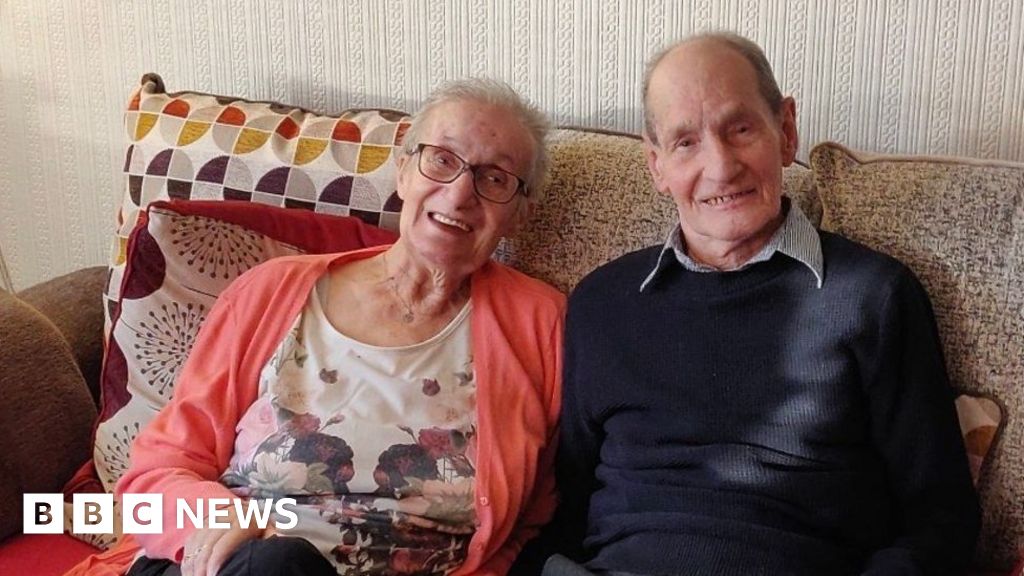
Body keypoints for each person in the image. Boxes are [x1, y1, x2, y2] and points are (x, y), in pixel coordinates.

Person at [530, 32, 980, 575]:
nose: (720, 167)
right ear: (656, 166)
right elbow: (568, 503)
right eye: (685, 142)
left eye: (739, 128)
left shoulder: (873, 298)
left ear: (785, 130)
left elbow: (941, 520)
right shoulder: (602, 303)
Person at [113, 78, 564, 576]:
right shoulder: (269, 292)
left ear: (520, 214)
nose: (459, 193)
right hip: (238, 564)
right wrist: (218, 520)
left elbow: (538, 519)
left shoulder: (542, 327)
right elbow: (154, 474)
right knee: (279, 565)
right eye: (441, 159)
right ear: (403, 169)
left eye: (495, 179)